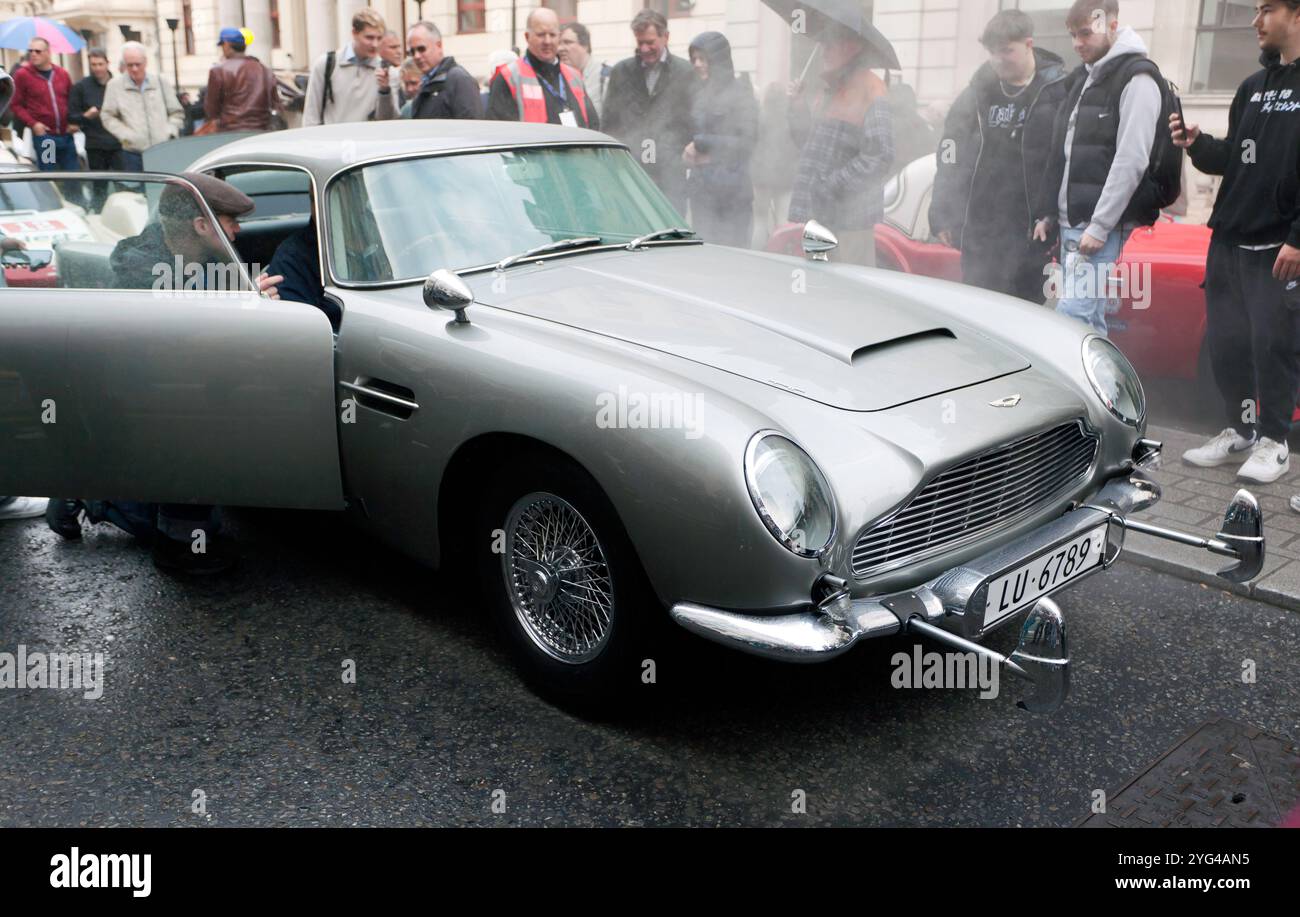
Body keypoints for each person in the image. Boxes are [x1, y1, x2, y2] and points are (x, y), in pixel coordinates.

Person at [47, 173, 282, 574]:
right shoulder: (140, 269)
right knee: (192, 429)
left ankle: (167, 520)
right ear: (201, 225)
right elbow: (176, 340)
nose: (239, 229)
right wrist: (244, 305)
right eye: (230, 220)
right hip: (139, 399)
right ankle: (107, 503)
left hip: (172, 390)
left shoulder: (205, 260)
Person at [1176, 0, 1300, 486]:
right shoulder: (1252, 87)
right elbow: (1235, 158)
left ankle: (1275, 441)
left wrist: (1297, 239)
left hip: (1278, 247)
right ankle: (1241, 431)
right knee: (1227, 346)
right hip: (1228, 239)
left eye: (1266, 9)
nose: (1254, 20)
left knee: (1275, 347)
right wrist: (1198, 144)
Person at [1032, 0, 1165, 334]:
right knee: (1088, 324)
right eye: (1073, 35)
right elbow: (1063, 153)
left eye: (1085, 33)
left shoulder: (1138, 79)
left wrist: (1100, 225)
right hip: (1074, 222)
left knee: (1070, 323)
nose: (1077, 43)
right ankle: (1105, 387)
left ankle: (1068, 389)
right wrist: (1049, 212)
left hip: (1096, 225)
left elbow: (1132, 158)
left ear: (1111, 25)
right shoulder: (1086, 78)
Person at [929, 10, 1068, 302]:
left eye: (1007, 51)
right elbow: (949, 152)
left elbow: (1067, 160)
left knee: (1023, 314)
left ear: (1029, 44)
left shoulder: (1057, 91)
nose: (998, 59)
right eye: (992, 52)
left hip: (1031, 231)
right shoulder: (977, 92)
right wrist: (942, 212)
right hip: (980, 229)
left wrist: (1053, 214)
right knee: (977, 310)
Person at [787, 24, 895, 267]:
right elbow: (806, 143)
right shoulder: (829, 88)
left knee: (850, 292)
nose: (822, 51)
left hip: (850, 222)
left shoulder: (871, 87)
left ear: (850, 48)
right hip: (819, 215)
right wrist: (796, 106)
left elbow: (880, 155)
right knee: (818, 287)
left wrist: (832, 184)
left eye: (829, 44)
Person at [602, 9, 694, 212]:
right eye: (640, 42)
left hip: (671, 175)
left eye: (650, 42)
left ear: (666, 37)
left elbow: (693, 121)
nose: (644, 48)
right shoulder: (621, 72)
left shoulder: (686, 73)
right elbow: (609, 121)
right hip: (632, 172)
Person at [683, 31, 757, 248]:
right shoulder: (699, 93)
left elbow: (747, 142)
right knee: (706, 264)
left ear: (718, 60)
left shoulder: (741, 93)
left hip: (732, 196)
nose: (697, 64)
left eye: (703, 59)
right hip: (701, 194)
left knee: (734, 263)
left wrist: (701, 144)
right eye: (694, 59)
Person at [486, 8, 598, 128]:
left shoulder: (574, 76)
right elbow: (500, 131)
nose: (547, 41)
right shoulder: (508, 77)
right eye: (541, 34)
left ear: (559, 37)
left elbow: (593, 125)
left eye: (552, 35)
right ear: (527, 36)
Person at [302, 8, 398, 126]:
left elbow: (388, 121)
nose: (375, 44)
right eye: (369, 37)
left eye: (379, 38)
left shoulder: (388, 72)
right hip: (332, 142)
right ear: (354, 33)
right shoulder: (326, 65)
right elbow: (311, 116)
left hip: (368, 142)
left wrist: (385, 91)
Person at [100, 42, 184, 171]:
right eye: (129, 65)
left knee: (163, 189)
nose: (134, 69)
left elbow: (177, 112)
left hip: (162, 149)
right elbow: (107, 116)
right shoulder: (114, 85)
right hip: (133, 153)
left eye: (137, 64)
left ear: (145, 62)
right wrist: (125, 135)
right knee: (135, 190)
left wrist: (170, 131)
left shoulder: (160, 82)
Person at [11, 37, 78, 172]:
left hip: (66, 135)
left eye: (38, 51)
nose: (33, 54)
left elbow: (72, 101)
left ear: (48, 52)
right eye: (30, 51)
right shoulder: (23, 75)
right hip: (46, 138)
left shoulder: (62, 74)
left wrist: (75, 122)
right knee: (50, 175)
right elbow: (15, 104)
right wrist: (34, 124)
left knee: (73, 177)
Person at [205, 26, 279, 132]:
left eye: (222, 45)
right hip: (261, 131)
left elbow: (211, 110)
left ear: (226, 45)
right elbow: (275, 103)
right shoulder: (264, 69)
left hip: (229, 133)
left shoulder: (218, 71)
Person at [404, 21, 481, 120]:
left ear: (439, 46)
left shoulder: (459, 79)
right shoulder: (426, 82)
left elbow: (470, 125)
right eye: (412, 51)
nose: (417, 56)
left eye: (421, 49)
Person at [559, 22, 609, 119]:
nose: (560, 48)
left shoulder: (604, 77)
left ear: (585, 46)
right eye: (559, 43)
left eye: (567, 42)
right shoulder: (560, 78)